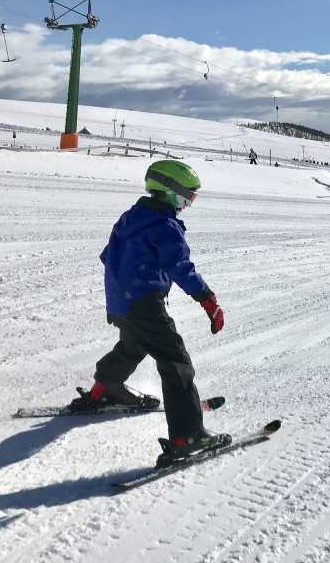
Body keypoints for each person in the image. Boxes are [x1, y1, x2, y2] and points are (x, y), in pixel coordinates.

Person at [71, 159, 229, 465]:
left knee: (133, 345)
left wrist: (123, 291)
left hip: (120, 301)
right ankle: (188, 437)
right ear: (170, 192)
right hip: (143, 302)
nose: (188, 203)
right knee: (176, 361)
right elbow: (181, 267)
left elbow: (108, 256)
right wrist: (208, 300)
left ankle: (105, 389)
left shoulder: (132, 217)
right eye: (187, 196)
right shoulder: (164, 226)